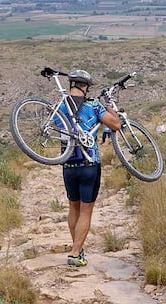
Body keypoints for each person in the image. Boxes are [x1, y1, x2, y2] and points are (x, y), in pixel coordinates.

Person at [59, 69, 120, 267]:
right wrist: (109, 106)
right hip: (89, 164)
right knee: (86, 211)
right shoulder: (93, 104)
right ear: (84, 87)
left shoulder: (60, 106)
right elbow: (116, 125)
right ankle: (76, 253)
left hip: (68, 164)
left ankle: (77, 248)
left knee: (73, 207)